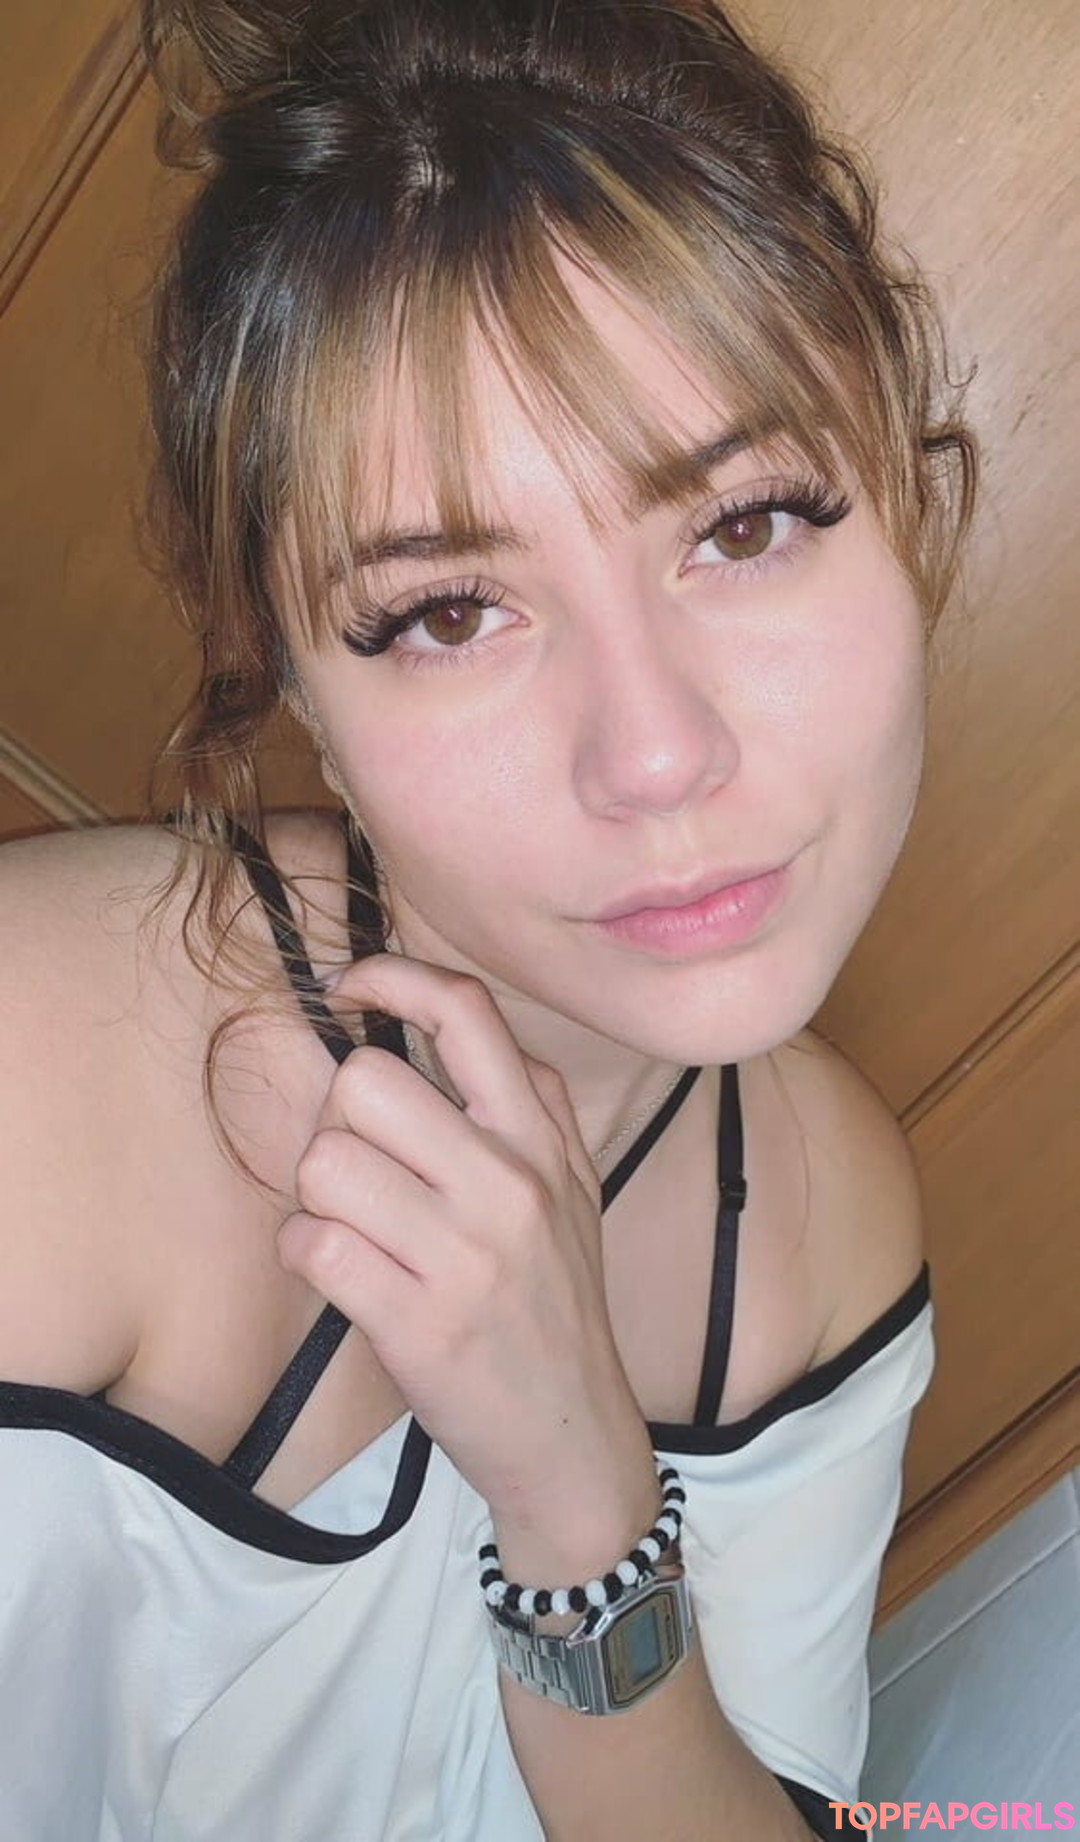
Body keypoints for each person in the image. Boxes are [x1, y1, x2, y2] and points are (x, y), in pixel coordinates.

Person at [0, 2, 977, 1837]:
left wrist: (585, 1505)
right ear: (297, 685)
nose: (658, 753)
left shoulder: (820, 1221)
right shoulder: (37, 1068)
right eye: (449, 612)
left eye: (748, 522)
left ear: (910, 500)